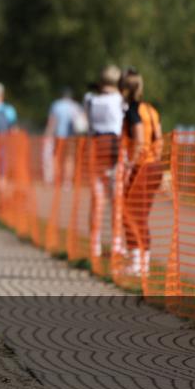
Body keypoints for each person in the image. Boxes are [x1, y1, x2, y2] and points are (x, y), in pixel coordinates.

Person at [118, 68, 163, 276]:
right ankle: (142, 262)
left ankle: (137, 261)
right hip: (155, 166)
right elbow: (159, 140)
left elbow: (140, 141)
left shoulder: (133, 111)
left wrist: (130, 167)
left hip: (142, 166)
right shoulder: (151, 110)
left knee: (131, 213)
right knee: (140, 214)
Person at [84, 65, 125, 258]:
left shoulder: (90, 100)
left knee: (97, 200)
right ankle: (116, 243)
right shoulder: (120, 101)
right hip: (115, 149)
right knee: (116, 199)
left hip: (94, 149)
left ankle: (95, 244)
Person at [42, 86, 87, 183]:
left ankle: (56, 178)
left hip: (58, 136)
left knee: (56, 156)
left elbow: (52, 121)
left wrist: (47, 134)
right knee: (69, 158)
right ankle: (67, 181)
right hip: (72, 136)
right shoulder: (76, 106)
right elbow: (82, 122)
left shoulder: (56, 105)